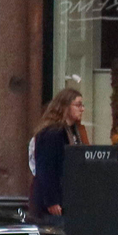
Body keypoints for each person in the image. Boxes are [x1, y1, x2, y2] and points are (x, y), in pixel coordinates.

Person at [27, 86, 87, 222]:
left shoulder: (74, 131)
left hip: (68, 196)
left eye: (82, 105)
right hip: (53, 202)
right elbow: (46, 168)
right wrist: (52, 200)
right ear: (65, 106)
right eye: (78, 105)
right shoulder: (53, 133)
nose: (82, 109)